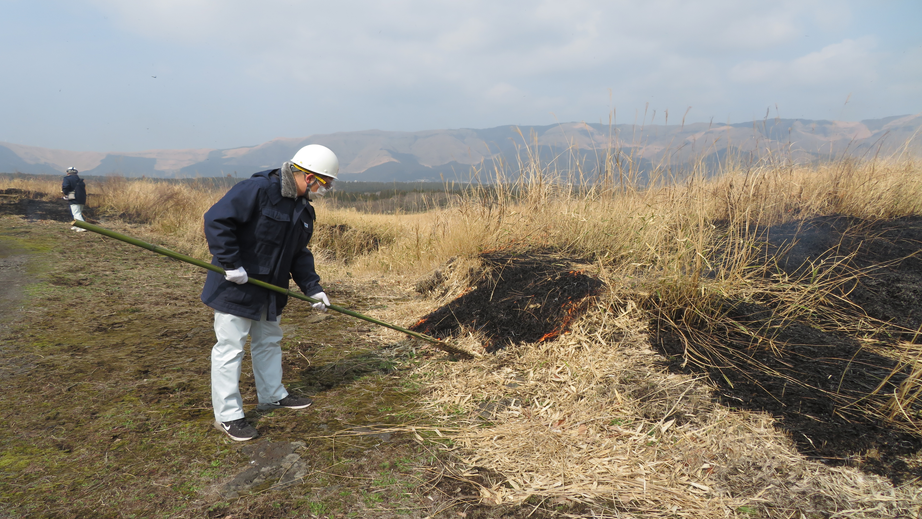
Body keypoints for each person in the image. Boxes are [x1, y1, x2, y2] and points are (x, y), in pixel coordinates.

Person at [201, 144, 338, 441]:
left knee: (269, 341)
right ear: (307, 175)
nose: (324, 189)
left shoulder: (304, 209)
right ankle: (228, 415)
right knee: (230, 348)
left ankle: (273, 394)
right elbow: (217, 219)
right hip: (236, 286)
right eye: (324, 183)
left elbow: (298, 255)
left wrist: (314, 288)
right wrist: (231, 263)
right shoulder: (259, 189)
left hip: (271, 289)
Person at [61, 166, 87, 232]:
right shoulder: (80, 180)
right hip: (82, 198)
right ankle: (76, 225)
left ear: (68, 173)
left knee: (76, 213)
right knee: (79, 212)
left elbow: (66, 187)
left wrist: (66, 193)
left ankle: (83, 227)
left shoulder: (67, 179)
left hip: (74, 198)